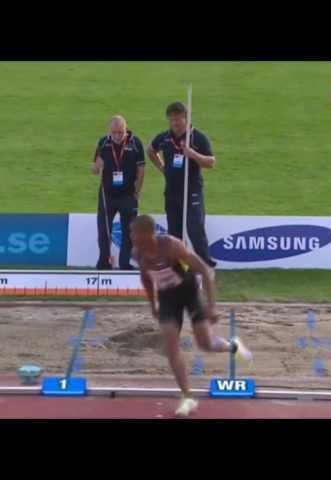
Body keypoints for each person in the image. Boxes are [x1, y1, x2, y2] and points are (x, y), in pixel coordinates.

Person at [131, 214, 253, 417]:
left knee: (205, 344)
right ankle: (187, 397)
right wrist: (153, 304)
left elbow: (206, 271)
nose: (130, 236)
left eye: (133, 232)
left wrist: (212, 306)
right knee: (171, 345)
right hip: (167, 297)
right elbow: (145, 278)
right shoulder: (137, 254)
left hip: (188, 292)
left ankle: (234, 346)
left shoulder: (172, 246)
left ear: (146, 233)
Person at [147, 102, 216, 268]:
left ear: (186, 118)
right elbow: (150, 150)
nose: (174, 123)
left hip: (192, 191)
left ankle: (205, 264)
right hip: (172, 192)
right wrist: (163, 168)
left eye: (178, 120)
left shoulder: (198, 137)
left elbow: (211, 163)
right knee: (174, 232)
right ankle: (177, 266)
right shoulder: (164, 138)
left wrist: (193, 154)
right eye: (171, 120)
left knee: (195, 228)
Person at [92, 115, 145, 270]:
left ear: (125, 130)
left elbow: (141, 170)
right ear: (110, 130)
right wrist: (97, 166)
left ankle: (125, 263)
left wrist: (137, 192)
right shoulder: (103, 143)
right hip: (106, 195)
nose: (117, 136)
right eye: (114, 132)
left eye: (120, 132)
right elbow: (94, 170)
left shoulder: (135, 143)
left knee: (129, 232)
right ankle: (104, 262)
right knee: (104, 231)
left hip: (128, 195)